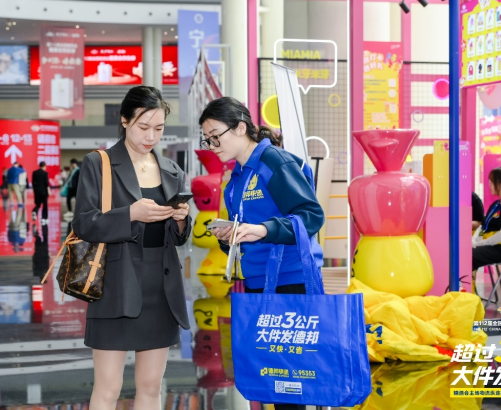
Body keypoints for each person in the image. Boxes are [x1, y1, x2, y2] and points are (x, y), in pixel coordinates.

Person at [200, 97, 325, 410]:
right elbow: (246, 231)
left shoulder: (274, 162)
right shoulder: (236, 179)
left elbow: (311, 216)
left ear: (241, 127)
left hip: (290, 280)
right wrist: (230, 236)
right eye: (207, 139)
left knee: (290, 381)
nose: (212, 145)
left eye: (216, 135)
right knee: (276, 380)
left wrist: (263, 229)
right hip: (259, 282)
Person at [72, 86, 192, 410]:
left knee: (151, 387)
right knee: (108, 387)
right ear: (124, 120)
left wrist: (182, 219)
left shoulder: (172, 170)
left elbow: (178, 238)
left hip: (161, 288)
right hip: (115, 284)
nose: (151, 136)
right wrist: (130, 214)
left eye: (159, 128)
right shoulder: (98, 164)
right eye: (143, 127)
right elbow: (83, 223)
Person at [472, 166, 501, 272]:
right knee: (461, 250)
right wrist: (474, 240)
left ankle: (460, 280)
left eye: (492, 182)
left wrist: (477, 244)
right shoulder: (496, 204)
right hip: (490, 244)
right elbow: (483, 225)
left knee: (468, 254)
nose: (489, 185)